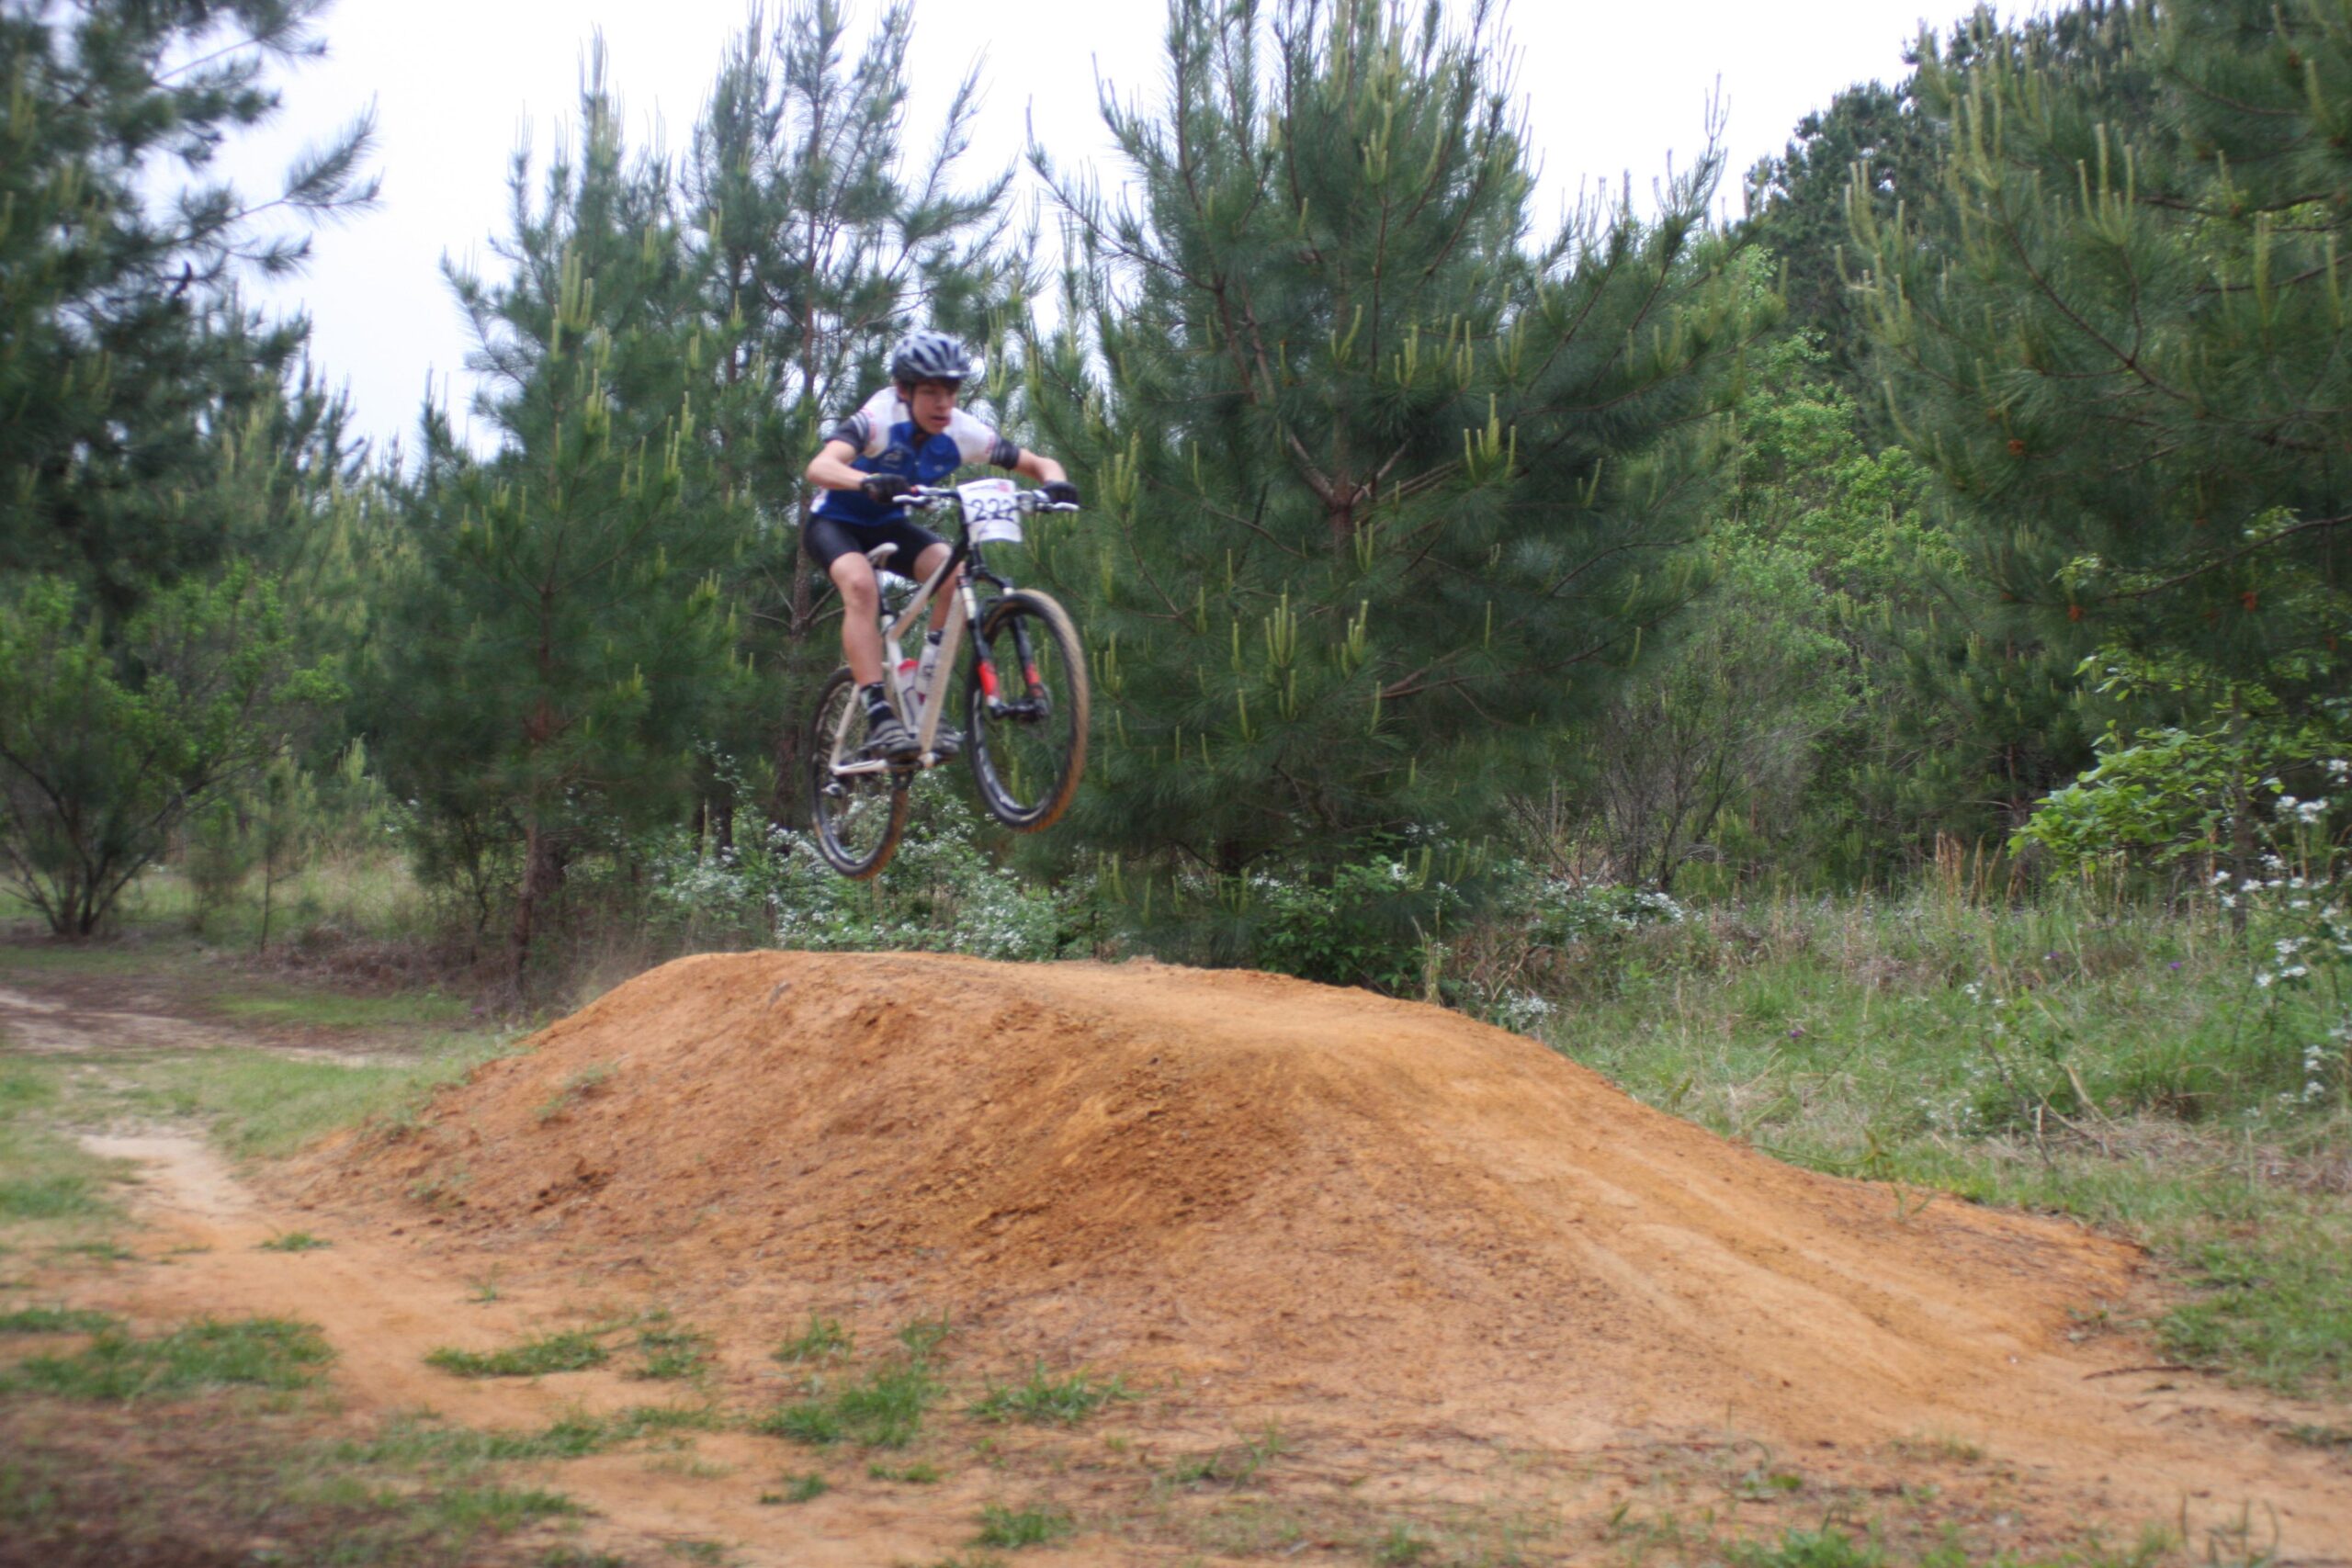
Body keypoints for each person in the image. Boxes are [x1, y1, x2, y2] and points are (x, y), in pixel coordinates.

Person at [803, 330, 1079, 760]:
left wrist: (1055, 482)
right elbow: (819, 466)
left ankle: (924, 697)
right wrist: (866, 479)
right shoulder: (878, 418)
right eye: (930, 392)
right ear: (903, 390)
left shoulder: (963, 431)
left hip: (890, 524)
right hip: (835, 523)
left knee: (954, 574)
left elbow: (1037, 462)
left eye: (950, 392)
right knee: (861, 587)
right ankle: (878, 714)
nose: (943, 404)